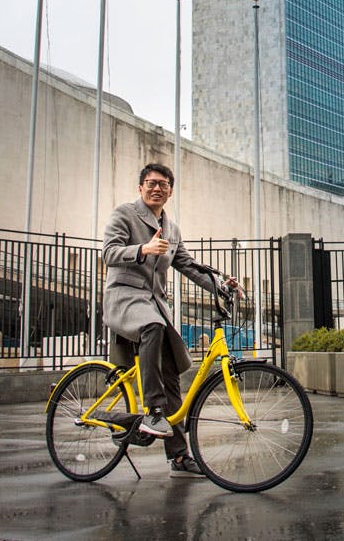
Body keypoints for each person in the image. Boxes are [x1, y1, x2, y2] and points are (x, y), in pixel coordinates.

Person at [103, 162, 239, 478]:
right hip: (125, 297)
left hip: (154, 305)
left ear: (170, 191)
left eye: (163, 184)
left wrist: (220, 284)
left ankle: (178, 457)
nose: (157, 188)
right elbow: (109, 252)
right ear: (140, 188)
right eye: (151, 183)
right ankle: (152, 412)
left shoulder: (172, 228)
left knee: (172, 380)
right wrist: (143, 249)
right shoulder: (124, 214)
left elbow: (188, 265)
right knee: (153, 327)